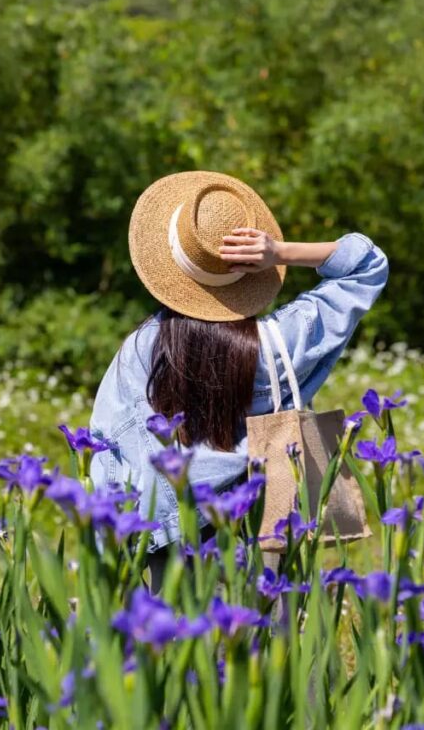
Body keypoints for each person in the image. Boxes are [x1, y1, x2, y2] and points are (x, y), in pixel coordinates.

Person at [88, 171, 388, 593]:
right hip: (266, 524)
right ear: (250, 270)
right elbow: (367, 265)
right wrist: (280, 252)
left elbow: (110, 456)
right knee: (269, 649)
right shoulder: (282, 342)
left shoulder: (141, 351)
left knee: (180, 653)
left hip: (174, 540)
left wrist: (111, 558)